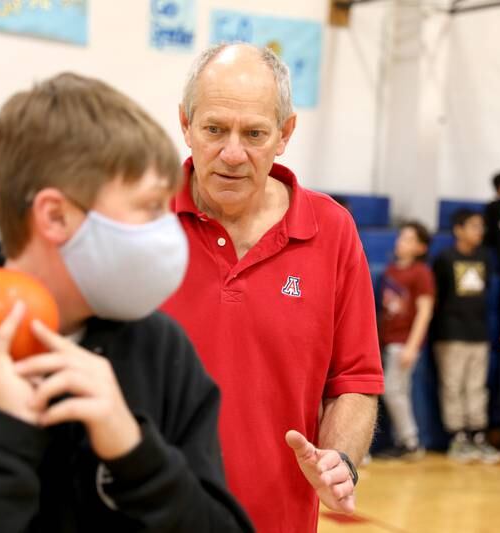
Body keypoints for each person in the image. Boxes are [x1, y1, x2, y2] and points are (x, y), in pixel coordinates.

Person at [0, 73, 253, 532]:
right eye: (149, 207)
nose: (169, 229)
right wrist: (6, 438)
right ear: (56, 216)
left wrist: (136, 454)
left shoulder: (163, 351)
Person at [160, 44, 384, 532]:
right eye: (214, 129)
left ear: (285, 134)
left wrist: (339, 460)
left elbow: (354, 381)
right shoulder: (138, 220)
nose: (233, 153)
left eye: (255, 133)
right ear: (185, 124)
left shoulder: (333, 231)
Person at [432, 209, 500, 464]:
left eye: (481, 226)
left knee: (476, 387)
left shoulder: (484, 257)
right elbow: (436, 298)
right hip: (451, 333)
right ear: (458, 229)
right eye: (473, 226)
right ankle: (458, 436)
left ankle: (478, 435)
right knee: (453, 386)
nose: (479, 231)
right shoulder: (444, 258)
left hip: (478, 332)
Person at [377, 221, 435, 459]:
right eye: (401, 237)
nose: (401, 242)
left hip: (404, 342)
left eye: (409, 239)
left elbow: (424, 311)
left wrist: (412, 346)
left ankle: (410, 442)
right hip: (388, 340)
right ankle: (403, 440)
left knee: (393, 391)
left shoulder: (421, 273)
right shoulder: (391, 271)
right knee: (395, 390)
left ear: (420, 247)